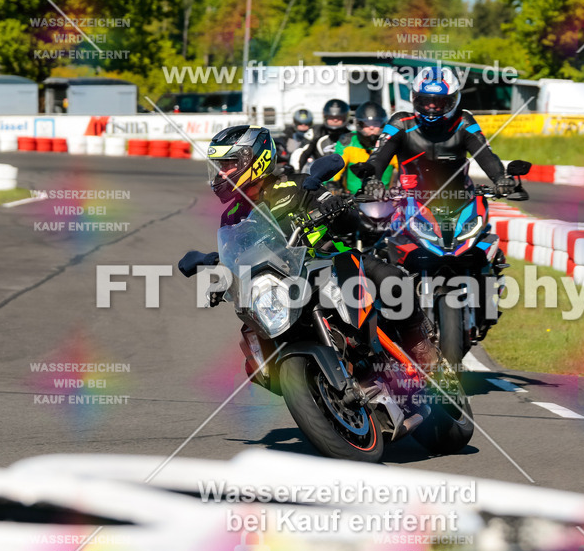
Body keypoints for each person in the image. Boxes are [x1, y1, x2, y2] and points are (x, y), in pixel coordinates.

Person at [180, 125, 441, 368]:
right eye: (219, 166)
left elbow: (350, 222)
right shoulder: (233, 216)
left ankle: (420, 345)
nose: (222, 173)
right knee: (253, 355)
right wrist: (223, 276)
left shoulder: (297, 185)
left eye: (229, 164)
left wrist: (335, 208)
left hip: (332, 261)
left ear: (254, 160)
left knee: (391, 278)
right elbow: (236, 256)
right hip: (284, 286)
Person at [350, 66, 529, 202]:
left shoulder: (464, 121)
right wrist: (372, 180)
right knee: (384, 241)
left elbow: (485, 154)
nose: (432, 107)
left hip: (460, 201)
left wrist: (500, 179)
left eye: (439, 102)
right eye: (425, 101)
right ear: (415, 99)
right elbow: (378, 157)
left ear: (453, 100)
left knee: (485, 242)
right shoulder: (399, 122)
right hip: (408, 202)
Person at [332, 101, 398, 195]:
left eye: (375, 123)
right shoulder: (347, 142)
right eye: (367, 124)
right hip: (353, 200)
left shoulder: (390, 143)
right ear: (359, 125)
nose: (371, 127)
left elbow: (406, 169)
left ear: (383, 124)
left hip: (384, 200)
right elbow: (334, 169)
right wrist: (331, 184)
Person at [296, 99, 351, 170]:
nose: (335, 120)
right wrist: (295, 172)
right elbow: (301, 153)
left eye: (338, 117)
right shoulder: (315, 132)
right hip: (321, 177)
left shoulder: (351, 136)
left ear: (345, 118)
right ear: (325, 117)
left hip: (345, 177)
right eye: (331, 117)